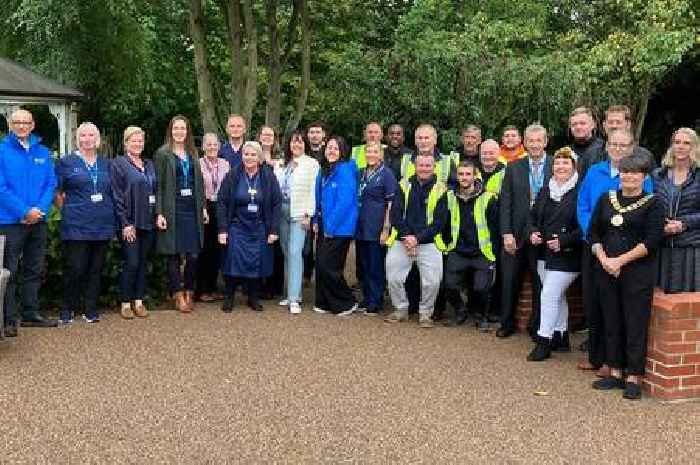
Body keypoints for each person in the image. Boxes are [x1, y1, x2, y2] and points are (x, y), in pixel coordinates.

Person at [576, 127, 654, 374]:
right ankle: (596, 357)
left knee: (619, 308)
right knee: (595, 303)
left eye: (623, 145)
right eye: (614, 144)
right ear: (607, 146)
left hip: (626, 253)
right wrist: (594, 234)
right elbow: (583, 204)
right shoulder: (594, 171)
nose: (618, 149)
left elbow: (645, 212)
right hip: (596, 247)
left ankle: (614, 363)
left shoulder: (644, 177)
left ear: (632, 148)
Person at [589, 153, 664, 400]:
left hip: (636, 272)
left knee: (635, 323)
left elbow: (652, 241)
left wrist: (620, 261)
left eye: (634, 172)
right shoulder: (605, 199)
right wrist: (605, 260)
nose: (629, 176)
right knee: (611, 321)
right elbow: (594, 234)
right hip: (606, 269)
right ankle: (615, 371)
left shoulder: (654, 203)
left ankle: (634, 375)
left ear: (643, 176)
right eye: (625, 171)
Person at [0, 108, 58, 335]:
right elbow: (1, 188)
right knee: (9, 271)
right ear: (11, 125)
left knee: (34, 269)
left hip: (38, 221)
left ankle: (30, 313)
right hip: (10, 221)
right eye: (17, 122)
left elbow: (50, 184)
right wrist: (24, 211)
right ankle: (7, 319)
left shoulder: (43, 152)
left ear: (33, 125)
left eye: (26, 122)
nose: (22, 126)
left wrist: (39, 211)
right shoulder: (2, 151)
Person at [55, 122, 116, 324]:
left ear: (97, 139)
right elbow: (58, 193)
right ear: (77, 138)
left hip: (102, 223)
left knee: (96, 269)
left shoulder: (107, 163)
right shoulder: (66, 162)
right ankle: (67, 308)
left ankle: (90, 309)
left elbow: (112, 191)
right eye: (83, 135)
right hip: (77, 224)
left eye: (91, 135)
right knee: (75, 268)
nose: (87, 139)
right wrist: (70, 210)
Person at [526, 147, 581, 361]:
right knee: (556, 295)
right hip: (543, 252)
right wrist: (532, 233)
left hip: (568, 254)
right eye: (558, 163)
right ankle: (561, 335)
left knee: (548, 294)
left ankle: (543, 340)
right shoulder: (545, 190)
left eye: (566, 163)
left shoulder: (579, 192)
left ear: (574, 167)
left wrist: (564, 241)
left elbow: (586, 225)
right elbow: (532, 217)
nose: (561, 167)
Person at [498, 123, 552, 338]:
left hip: (543, 234)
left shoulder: (556, 166)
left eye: (539, 140)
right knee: (509, 279)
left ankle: (537, 325)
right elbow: (505, 203)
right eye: (531, 141)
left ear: (546, 142)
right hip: (516, 234)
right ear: (525, 143)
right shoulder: (513, 167)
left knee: (542, 283)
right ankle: (507, 323)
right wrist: (506, 233)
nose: (535, 145)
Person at [384, 152, 448, 328]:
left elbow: (439, 222)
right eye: (421, 165)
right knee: (393, 277)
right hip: (402, 240)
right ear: (415, 166)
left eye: (428, 165)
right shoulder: (403, 185)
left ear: (434, 167)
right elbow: (395, 214)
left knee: (433, 281)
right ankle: (401, 309)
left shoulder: (442, 189)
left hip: (428, 242)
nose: (424, 169)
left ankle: (426, 313)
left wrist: (417, 239)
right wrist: (407, 237)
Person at [217, 141, 281, 312]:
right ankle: (229, 296)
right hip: (237, 225)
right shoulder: (232, 175)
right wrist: (223, 229)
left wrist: (274, 230)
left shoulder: (268, 176)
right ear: (242, 156)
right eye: (246, 154)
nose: (249, 157)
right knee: (232, 260)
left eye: (253, 155)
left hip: (259, 226)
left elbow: (276, 203)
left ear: (259, 157)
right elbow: (222, 202)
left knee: (256, 262)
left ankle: (253, 297)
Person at [436, 160, 498, 331]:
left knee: (481, 288)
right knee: (448, 285)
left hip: (482, 252)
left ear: (475, 176)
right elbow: (440, 223)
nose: (464, 177)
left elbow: (496, 228)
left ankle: (481, 316)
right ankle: (460, 311)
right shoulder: (448, 196)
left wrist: (493, 252)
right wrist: (444, 246)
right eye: (461, 174)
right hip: (457, 250)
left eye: (467, 174)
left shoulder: (489, 198)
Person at [154, 115, 207, 313]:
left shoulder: (193, 153)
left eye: (183, 128)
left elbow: (199, 183)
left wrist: (202, 207)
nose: (179, 132)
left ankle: (189, 290)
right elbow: (158, 186)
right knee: (173, 254)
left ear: (187, 131)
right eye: (176, 128)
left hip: (191, 208)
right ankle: (177, 294)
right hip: (172, 208)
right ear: (171, 130)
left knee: (193, 254)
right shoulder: (162, 154)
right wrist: (159, 212)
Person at [111, 126, 157, 320]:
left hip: (148, 221)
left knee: (143, 263)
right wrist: (125, 223)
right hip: (130, 222)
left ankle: (139, 301)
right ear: (126, 143)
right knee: (132, 262)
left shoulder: (149, 164)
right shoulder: (118, 164)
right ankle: (125, 302)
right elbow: (117, 195)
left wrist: (159, 214)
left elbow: (156, 191)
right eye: (134, 141)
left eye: (140, 141)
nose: (138, 144)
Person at [312, 136, 359, 315]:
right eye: (329, 147)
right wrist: (316, 220)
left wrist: (330, 227)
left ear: (342, 151)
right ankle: (324, 302)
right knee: (321, 265)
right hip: (325, 225)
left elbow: (344, 202)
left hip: (340, 227)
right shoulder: (324, 170)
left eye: (335, 148)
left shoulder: (345, 170)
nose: (331, 151)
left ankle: (346, 302)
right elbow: (318, 198)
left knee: (329, 266)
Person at [275, 131, 319, 314]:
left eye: (300, 142)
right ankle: (292, 293)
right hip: (282, 211)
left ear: (305, 145)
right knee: (286, 252)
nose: (297, 145)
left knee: (295, 252)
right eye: (294, 142)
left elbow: (313, 191)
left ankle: (294, 299)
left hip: (300, 212)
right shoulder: (281, 163)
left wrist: (309, 214)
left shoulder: (311, 163)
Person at [653, 128, 700, 293]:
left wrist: (684, 223)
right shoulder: (658, 175)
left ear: (694, 147)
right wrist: (661, 224)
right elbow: (649, 206)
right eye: (677, 142)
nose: (680, 146)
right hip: (662, 246)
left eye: (686, 143)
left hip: (691, 248)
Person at [355, 142, 398, 315]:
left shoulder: (386, 174)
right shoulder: (361, 173)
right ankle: (366, 298)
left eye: (374, 151)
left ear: (380, 155)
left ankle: (376, 300)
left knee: (375, 265)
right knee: (363, 265)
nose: (371, 154)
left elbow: (391, 202)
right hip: (361, 226)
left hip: (377, 225)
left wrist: (386, 228)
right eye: (368, 151)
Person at [196, 133, 230, 302]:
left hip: (221, 207)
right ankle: (201, 289)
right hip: (205, 207)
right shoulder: (198, 164)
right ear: (203, 147)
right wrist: (202, 208)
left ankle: (212, 287)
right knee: (204, 249)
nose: (211, 147)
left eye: (214, 144)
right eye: (208, 144)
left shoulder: (225, 164)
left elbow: (229, 187)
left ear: (219, 146)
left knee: (218, 249)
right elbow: (197, 189)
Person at [257, 125, 285, 299]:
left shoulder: (281, 157)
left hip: (276, 206)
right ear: (259, 136)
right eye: (264, 134)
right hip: (257, 206)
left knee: (276, 247)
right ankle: (257, 284)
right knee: (260, 245)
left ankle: (274, 285)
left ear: (275, 138)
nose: (267, 137)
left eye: (271, 135)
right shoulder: (253, 154)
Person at [569, 106, 605, 176]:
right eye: (574, 124)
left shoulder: (604, 149)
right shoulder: (566, 152)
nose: (578, 127)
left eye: (582, 123)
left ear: (593, 125)